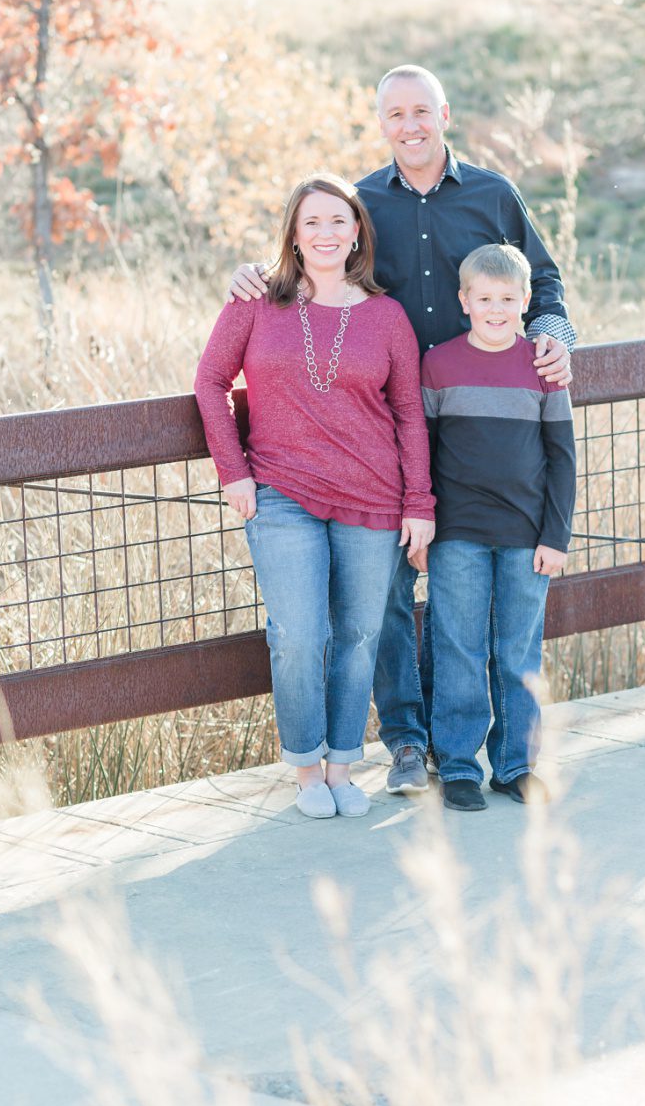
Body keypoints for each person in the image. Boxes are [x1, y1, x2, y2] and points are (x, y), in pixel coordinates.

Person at [226, 65, 576, 801]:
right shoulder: (362, 202)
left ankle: (496, 756)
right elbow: (313, 259)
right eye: (395, 113)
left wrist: (549, 336)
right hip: (381, 427)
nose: (409, 124)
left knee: (473, 598)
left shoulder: (494, 194)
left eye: (421, 110)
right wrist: (250, 276)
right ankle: (409, 744)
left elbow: (543, 282)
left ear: (443, 113)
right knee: (386, 591)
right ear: (381, 122)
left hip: (481, 422)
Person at [196, 173, 434, 818]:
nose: (326, 234)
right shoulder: (254, 303)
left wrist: (420, 506)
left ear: (357, 230)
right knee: (299, 633)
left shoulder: (386, 317)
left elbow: (410, 416)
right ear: (293, 237)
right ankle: (306, 771)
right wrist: (234, 472)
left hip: (374, 497)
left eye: (338, 221)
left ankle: (341, 768)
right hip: (280, 492)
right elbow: (210, 381)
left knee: (358, 634)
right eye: (312, 223)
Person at [422, 244, 576, 812]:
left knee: (517, 651)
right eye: (484, 299)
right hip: (455, 533)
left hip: (527, 535)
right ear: (464, 301)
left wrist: (555, 536)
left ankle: (515, 765)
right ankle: (459, 765)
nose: (495, 310)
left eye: (507, 300)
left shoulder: (543, 367)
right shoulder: (437, 364)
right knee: (458, 646)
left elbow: (563, 458)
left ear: (526, 302)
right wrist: (422, 526)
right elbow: (423, 452)